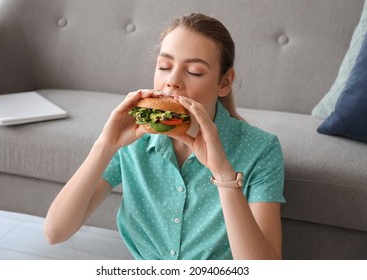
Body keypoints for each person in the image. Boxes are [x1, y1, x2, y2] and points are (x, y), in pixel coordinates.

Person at [44, 13, 285, 260]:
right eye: (165, 67)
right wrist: (105, 145)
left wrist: (223, 174)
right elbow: (55, 232)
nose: (172, 81)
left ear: (224, 82)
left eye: (194, 71)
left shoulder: (261, 149)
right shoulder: (134, 141)